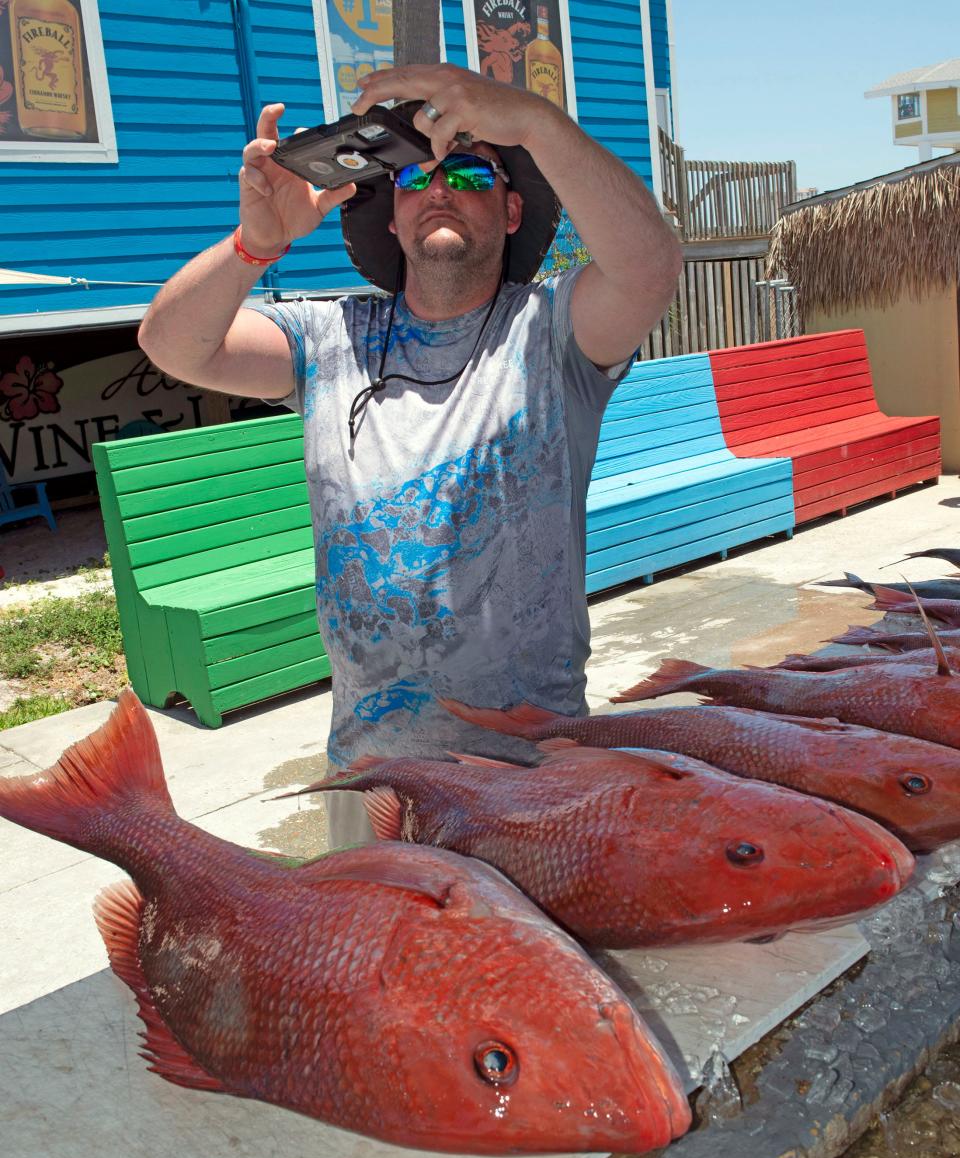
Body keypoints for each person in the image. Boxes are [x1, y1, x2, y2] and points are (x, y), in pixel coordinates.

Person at [137, 63, 682, 847]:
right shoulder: (331, 339)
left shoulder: (554, 332)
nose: (439, 185)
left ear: (513, 206)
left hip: (528, 786)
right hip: (370, 790)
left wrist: (534, 121)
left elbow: (651, 267)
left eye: (469, 170)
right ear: (390, 218)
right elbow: (173, 344)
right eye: (413, 175)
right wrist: (255, 247)